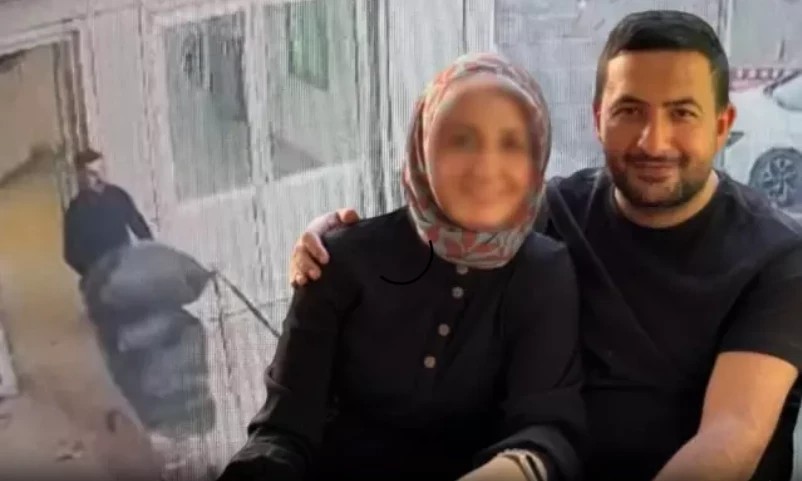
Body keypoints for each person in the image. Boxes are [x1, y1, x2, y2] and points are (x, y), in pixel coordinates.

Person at [289, 10, 802, 481]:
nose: (653, 141)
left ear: (722, 126)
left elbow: (731, 437)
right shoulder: (555, 210)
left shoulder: (777, 258)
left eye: (682, 113)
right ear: (597, 119)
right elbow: (449, 216)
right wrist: (332, 237)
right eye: (630, 110)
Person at [219, 53, 586, 481]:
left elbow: (545, 427)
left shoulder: (544, 270)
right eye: (461, 140)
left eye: (511, 144)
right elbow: (284, 429)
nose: (486, 166)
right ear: (421, 145)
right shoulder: (339, 259)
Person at [63, 148, 154, 279]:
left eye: (102, 170)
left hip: (125, 270)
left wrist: (148, 257)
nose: (99, 177)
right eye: (92, 173)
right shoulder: (75, 211)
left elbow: (140, 228)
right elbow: (71, 254)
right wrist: (92, 273)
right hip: (98, 278)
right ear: (80, 175)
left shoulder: (118, 196)